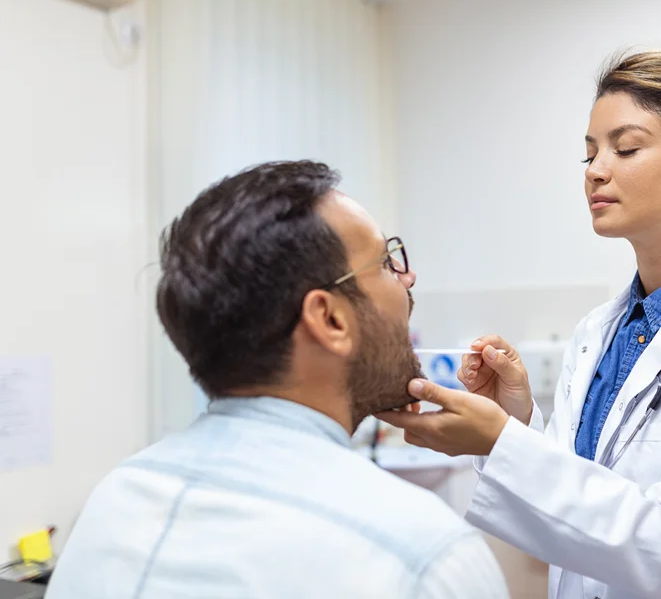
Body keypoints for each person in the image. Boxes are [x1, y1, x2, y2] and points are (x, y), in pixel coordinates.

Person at [378, 50, 661, 599]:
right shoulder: (599, 332)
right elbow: (579, 516)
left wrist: (502, 444)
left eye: (626, 148)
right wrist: (514, 423)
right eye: (590, 153)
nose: (596, 170)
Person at [46, 161, 508, 599]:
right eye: (387, 263)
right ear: (329, 319)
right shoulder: (425, 557)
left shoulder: (113, 501)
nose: (408, 279)